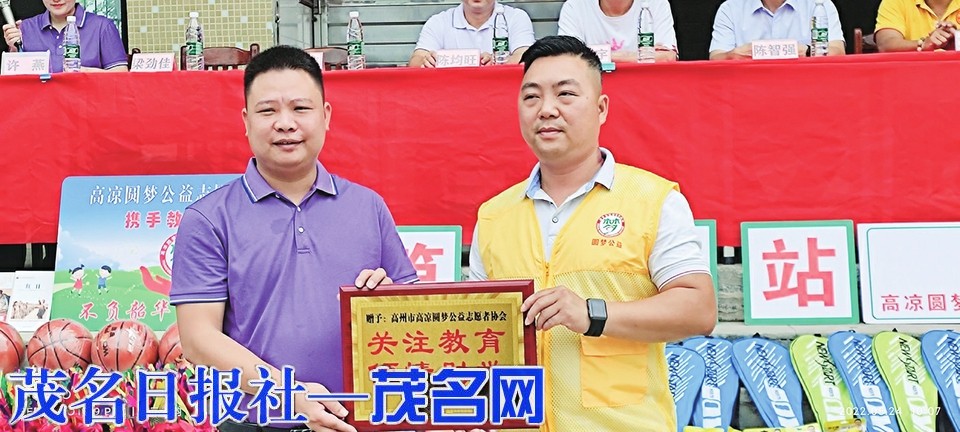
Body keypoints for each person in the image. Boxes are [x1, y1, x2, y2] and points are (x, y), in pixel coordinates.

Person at [469, 35, 716, 431]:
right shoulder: (493, 215)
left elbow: (698, 309)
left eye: (565, 94)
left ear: (601, 109)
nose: (546, 109)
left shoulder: (652, 200)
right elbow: (482, 332)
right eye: (531, 97)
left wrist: (591, 314)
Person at [170, 45, 418, 432]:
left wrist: (390, 303)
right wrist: (290, 395)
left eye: (300, 108)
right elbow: (199, 339)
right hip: (254, 423)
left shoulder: (368, 206)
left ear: (326, 115)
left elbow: (416, 318)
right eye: (268, 111)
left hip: (359, 419)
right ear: (246, 120)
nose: (285, 124)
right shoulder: (208, 218)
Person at [2, 0, 128, 72]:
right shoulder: (25, 28)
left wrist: (84, 72)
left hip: (88, 107)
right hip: (41, 109)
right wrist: (13, 48)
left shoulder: (103, 26)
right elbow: (16, 82)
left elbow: (120, 75)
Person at [408, 0, 536, 67]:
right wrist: (428, 61)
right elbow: (416, 61)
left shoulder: (516, 17)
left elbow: (526, 56)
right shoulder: (438, 22)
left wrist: (497, 62)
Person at [708, 0, 845, 60]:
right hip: (748, 91)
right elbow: (716, 58)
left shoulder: (819, 4)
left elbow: (838, 51)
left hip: (805, 89)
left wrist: (808, 52)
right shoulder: (730, 8)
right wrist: (734, 55)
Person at [558, 0, 679, 62]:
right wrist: (637, 56)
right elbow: (568, 57)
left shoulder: (656, 3)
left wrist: (591, 54)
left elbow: (668, 56)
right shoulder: (575, 6)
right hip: (592, 90)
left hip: (643, 87)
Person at [875, 0, 960, 51]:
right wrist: (923, 44)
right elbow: (885, 44)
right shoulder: (896, 2)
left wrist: (957, 42)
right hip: (912, 72)